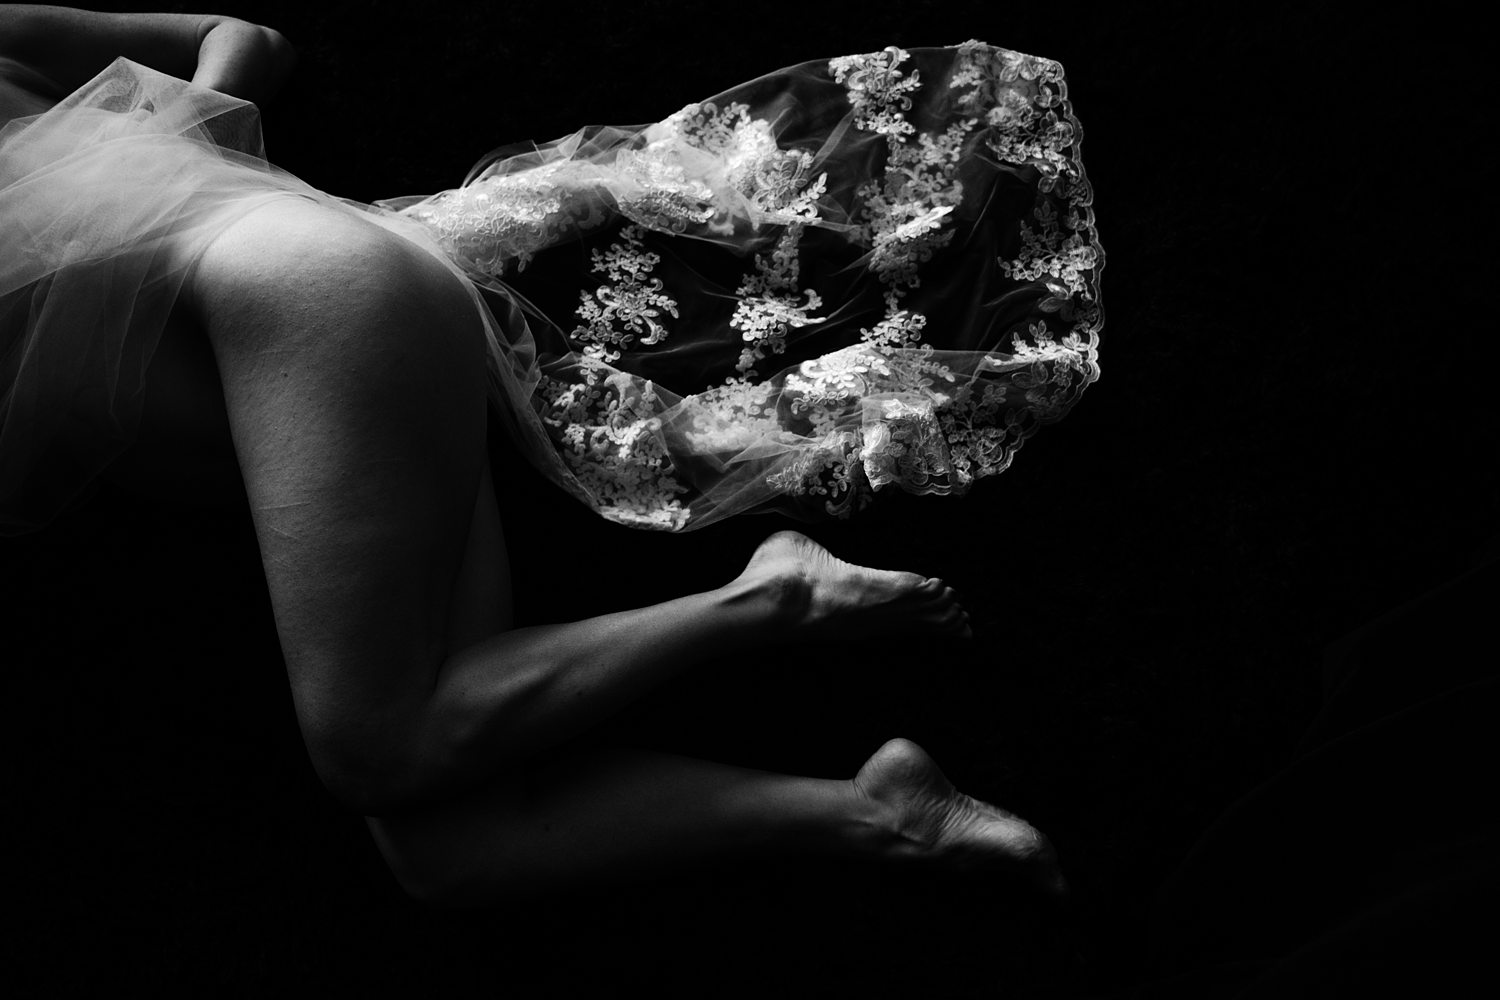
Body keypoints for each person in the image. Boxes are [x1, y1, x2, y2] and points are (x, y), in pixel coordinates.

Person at [2, 6, 1099, 902]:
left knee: (374, 745)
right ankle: (883, 814)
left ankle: (770, 600)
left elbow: (241, 38)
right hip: (334, 347)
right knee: (449, 844)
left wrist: (154, 145)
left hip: (292, 292)